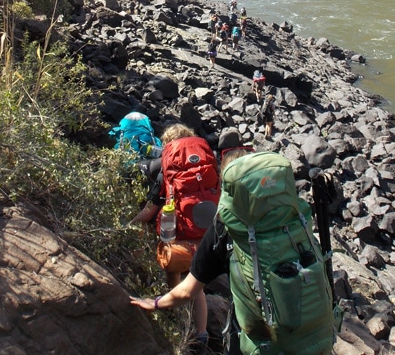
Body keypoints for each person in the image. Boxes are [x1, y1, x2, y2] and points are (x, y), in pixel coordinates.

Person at [131, 134, 335, 355]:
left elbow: (187, 291)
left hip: (266, 345)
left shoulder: (226, 230)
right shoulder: (296, 219)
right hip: (319, 336)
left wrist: (155, 303)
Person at [130, 124, 216, 353]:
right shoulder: (206, 164)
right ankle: (202, 334)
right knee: (198, 285)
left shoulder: (168, 170)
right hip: (207, 235)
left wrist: (128, 225)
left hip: (179, 238)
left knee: (174, 272)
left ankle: (176, 320)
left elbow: (150, 210)